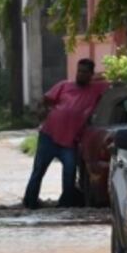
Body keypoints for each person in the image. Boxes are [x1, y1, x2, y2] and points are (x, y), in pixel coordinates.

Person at [23, 58, 109, 209]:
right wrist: (42, 114)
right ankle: (30, 201)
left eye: (85, 72)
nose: (80, 74)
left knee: (70, 172)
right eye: (79, 71)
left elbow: (114, 84)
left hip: (69, 142)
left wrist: (98, 77)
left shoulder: (95, 89)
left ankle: (66, 203)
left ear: (91, 74)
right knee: (38, 170)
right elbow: (45, 100)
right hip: (49, 136)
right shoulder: (64, 85)